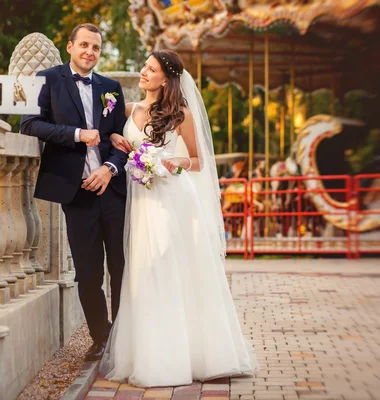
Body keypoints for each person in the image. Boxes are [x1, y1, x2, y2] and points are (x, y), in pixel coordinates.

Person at [99, 50, 258, 387]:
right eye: (144, 66)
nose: (143, 72)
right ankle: (147, 351)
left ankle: (184, 355)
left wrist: (174, 163)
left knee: (168, 268)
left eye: (151, 69)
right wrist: (119, 141)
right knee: (144, 270)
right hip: (141, 202)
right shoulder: (131, 110)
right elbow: (122, 144)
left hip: (172, 199)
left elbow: (199, 160)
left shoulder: (181, 114)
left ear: (165, 79)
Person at [20, 24, 127, 361]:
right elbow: (30, 125)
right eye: (84, 45)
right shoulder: (49, 79)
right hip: (76, 193)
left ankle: (126, 335)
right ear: (70, 47)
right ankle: (101, 336)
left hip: (113, 191)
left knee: (122, 266)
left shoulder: (111, 88)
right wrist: (77, 134)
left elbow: (122, 141)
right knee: (88, 270)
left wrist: (109, 169)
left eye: (95, 47)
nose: (89, 52)